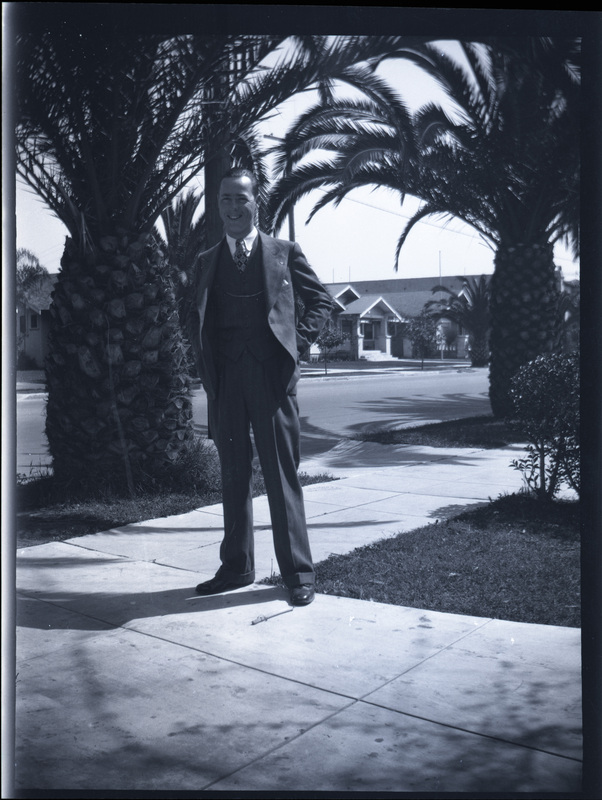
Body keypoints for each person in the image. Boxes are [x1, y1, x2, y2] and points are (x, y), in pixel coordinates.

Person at [189, 167, 332, 606]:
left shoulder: (283, 252)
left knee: (281, 477)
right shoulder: (204, 261)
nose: (234, 207)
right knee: (233, 477)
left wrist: (295, 343)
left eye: (242, 199)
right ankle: (237, 567)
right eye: (225, 199)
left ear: (257, 203)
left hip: (271, 380)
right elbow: (194, 318)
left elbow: (322, 301)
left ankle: (298, 574)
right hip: (227, 382)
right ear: (218, 205)